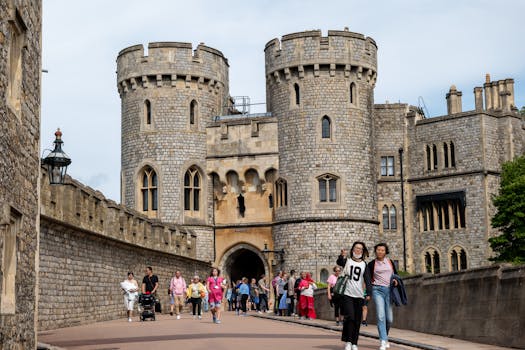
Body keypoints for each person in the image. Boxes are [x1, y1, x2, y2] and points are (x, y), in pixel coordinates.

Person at [336, 242, 372, 350]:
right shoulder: (348, 261)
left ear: (363, 251)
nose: (358, 250)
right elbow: (340, 261)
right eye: (356, 248)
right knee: (350, 317)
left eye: (360, 249)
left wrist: (369, 293)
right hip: (347, 294)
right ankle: (348, 341)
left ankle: (354, 342)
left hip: (359, 295)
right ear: (353, 249)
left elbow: (367, 280)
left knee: (357, 320)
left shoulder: (364, 264)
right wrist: (342, 255)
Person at [367, 243, 398, 350]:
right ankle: (383, 340)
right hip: (377, 290)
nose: (380, 252)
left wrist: (395, 280)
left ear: (385, 252)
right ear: (375, 251)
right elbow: (367, 279)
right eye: (378, 250)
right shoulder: (371, 264)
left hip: (389, 291)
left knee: (389, 319)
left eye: (382, 250)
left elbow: (396, 275)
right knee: (380, 316)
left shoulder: (390, 262)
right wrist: (368, 293)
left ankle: (385, 337)